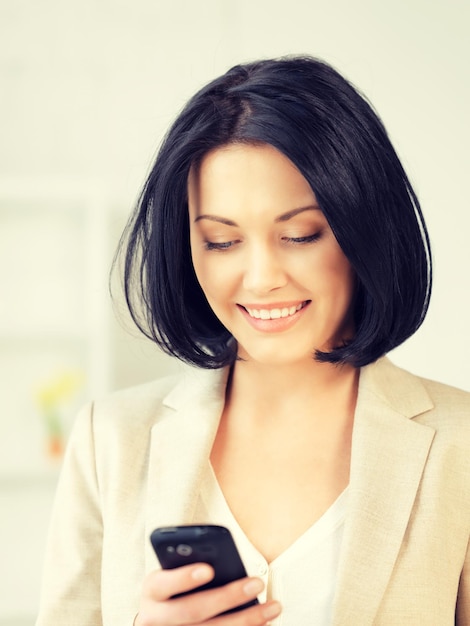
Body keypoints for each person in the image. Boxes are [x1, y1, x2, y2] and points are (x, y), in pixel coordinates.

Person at [36, 56, 470, 626]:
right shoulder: (109, 442)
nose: (261, 277)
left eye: (299, 234)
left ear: (365, 227)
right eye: (221, 241)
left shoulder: (458, 445)